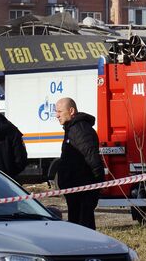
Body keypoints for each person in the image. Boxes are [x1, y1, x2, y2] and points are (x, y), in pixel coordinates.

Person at [55, 97, 104, 230]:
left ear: (71, 111)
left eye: (59, 111)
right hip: (75, 189)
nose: (56, 115)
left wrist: (97, 184)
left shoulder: (79, 130)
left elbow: (92, 158)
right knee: (76, 227)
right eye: (55, 111)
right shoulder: (72, 129)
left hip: (83, 190)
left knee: (84, 228)